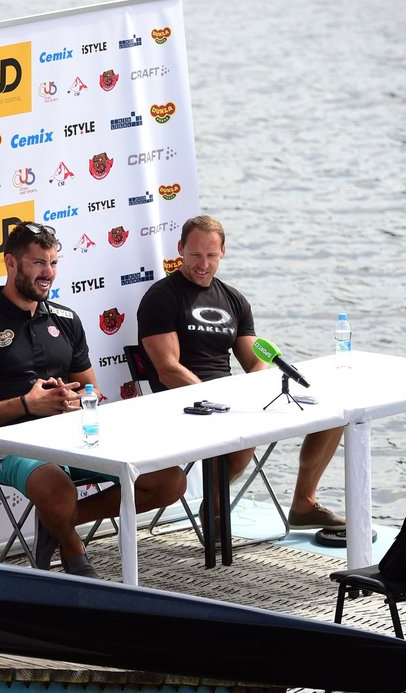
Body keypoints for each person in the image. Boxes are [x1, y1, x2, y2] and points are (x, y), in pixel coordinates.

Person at [0, 220, 186, 578]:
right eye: (38, 263)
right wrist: (27, 405)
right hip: (11, 446)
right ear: (11, 263)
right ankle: (73, 549)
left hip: (75, 437)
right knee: (56, 486)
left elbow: (92, 391)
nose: (48, 273)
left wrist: (73, 398)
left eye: (53, 263)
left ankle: (56, 523)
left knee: (169, 480)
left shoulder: (67, 319)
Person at [136, 215, 345, 532]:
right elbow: (168, 370)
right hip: (183, 403)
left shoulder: (234, 299)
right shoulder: (161, 297)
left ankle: (303, 504)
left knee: (332, 414)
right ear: (180, 249)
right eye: (195, 255)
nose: (203, 264)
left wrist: (252, 389)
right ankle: (215, 504)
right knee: (244, 435)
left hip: (231, 398)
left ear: (223, 253)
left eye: (211, 255)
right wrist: (219, 401)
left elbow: (256, 360)